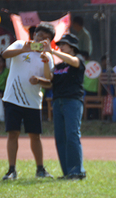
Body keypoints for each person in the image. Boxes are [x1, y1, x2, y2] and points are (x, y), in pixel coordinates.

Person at [1, 22, 55, 180]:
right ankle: (11, 170)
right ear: (34, 35)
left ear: (50, 41)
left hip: (33, 101)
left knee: (35, 136)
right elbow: (5, 54)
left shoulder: (48, 57)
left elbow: (48, 81)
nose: (41, 40)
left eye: (46, 38)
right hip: (12, 98)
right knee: (13, 133)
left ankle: (40, 170)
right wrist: (25, 49)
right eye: (39, 36)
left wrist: (43, 67)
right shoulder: (20, 44)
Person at [47, 33, 87, 179]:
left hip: (72, 101)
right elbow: (49, 79)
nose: (60, 46)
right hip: (58, 102)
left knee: (72, 135)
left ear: (72, 47)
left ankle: (77, 171)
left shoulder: (78, 60)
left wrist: (52, 51)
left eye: (63, 44)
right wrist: (46, 60)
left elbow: (75, 62)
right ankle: (67, 172)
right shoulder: (59, 66)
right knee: (60, 138)